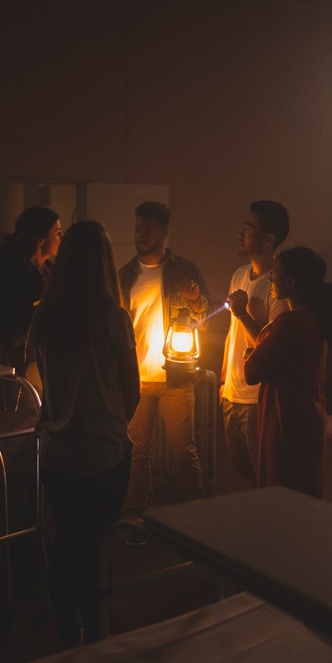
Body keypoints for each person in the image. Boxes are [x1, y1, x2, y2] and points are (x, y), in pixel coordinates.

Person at [29, 220, 140, 646]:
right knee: (99, 546)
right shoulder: (114, 319)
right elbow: (131, 392)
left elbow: (47, 384)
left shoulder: (44, 317)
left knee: (64, 542)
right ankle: (96, 635)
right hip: (104, 452)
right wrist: (108, 421)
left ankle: (65, 633)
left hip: (57, 450)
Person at [119, 201, 210, 544]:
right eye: (137, 228)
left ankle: (196, 525)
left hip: (175, 378)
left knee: (184, 452)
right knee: (136, 454)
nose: (141, 235)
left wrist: (196, 299)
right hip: (137, 379)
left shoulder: (185, 271)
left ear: (164, 232)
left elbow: (206, 316)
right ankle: (139, 523)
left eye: (148, 229)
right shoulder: (125, 275)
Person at [244, 247, 332, 498]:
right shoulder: (314, 318)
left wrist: (250, 353)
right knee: (304, 496)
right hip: (308, 416)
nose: (270, 280)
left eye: (274, 274)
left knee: (281, 495)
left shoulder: (290, 323)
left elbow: (252, 371)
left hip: (286, 420)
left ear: (290, 282)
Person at [221, 200, 290, 486]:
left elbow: (271, 349)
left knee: (265, 479)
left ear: (268, 238)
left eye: (249, 227)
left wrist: (242, 313)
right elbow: (232, 335)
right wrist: (224, 381)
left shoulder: (277, 286)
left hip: (256, 398)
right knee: (243, 473)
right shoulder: (239, 274)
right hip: (232, 394)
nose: (241, 233)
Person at [0, 206, 62, 408]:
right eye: (57, 233)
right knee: (23, 420)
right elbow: (5, 331)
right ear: (40, 240)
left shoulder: (50, 272)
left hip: (44, 366)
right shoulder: (13, 278)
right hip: (21, 371)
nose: (61, 238)